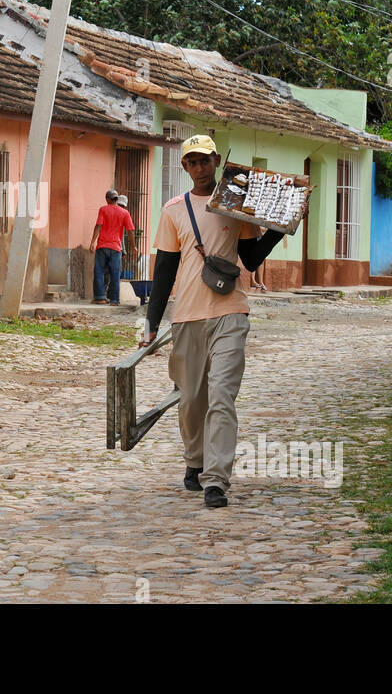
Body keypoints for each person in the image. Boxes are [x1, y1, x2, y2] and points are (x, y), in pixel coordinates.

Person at [139, 135, 285, 509]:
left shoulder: (235, 206)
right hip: (187, 317)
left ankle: (215, 479)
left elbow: (250, 260)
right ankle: (195, 460)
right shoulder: (174, 210)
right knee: (191, 401)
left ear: (217, 160)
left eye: (206, 160)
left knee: (221, 396)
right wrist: (151, 323)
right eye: (192, 162)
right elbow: (164, 272)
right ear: (185, 167)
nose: (200, 168)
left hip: (230, 313)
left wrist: (281, 226)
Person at [89, 189, 134, 305]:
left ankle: (100, 297)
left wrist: (92, 242)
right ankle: (114, 300)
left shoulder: (103, 209)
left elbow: (98, 225)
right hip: (116, 247)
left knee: (99, 271)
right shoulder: (125, 213)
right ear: (117, 199)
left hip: (102, 246)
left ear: (108, 199)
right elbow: (130, 231)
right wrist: (133, 246)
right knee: (115, 273)